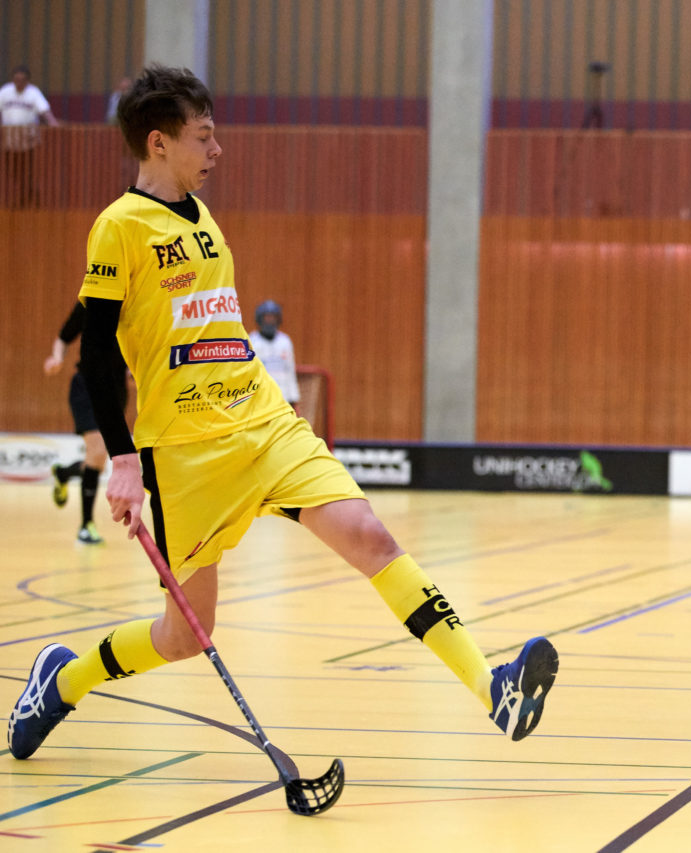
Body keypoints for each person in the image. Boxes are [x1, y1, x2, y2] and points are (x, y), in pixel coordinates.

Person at [7, 65, 559, 764]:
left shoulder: (201, 218)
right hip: (186, 454)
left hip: (264, 424)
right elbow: (95, 357)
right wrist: (122, 458)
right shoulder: (118, 228)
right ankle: (63, 679)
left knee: (371, 536)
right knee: (183, 633)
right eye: (203, 137)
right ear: (157, 143)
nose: (217, 150)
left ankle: (494, 688)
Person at [43, 301, 130, 544]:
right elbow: (63, 337)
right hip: (87, 387)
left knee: (97, 459)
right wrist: (57, 358)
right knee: (99, 450)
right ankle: (86, 525)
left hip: (116, 390)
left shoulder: (136, 305)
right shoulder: (90, 303)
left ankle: (64, 473)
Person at [0, 64, 59, 207]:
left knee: (27, 172)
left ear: (27, 81)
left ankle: (26, 199)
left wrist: (53, 124)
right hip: (10, 141)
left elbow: (44, 111)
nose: (18, 82)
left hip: (28, 141)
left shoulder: (33, 92)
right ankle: (28, 196)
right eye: (16, 79)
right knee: (13, 172)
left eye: (22, 80)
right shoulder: (5, 91)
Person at [248, 299, 300, 406]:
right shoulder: (251, 341)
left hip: (283, 397)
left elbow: (290, 371)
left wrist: (293, 398)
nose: (270, 321)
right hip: (260, 397)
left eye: (273, 318)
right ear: (259, 319)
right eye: (267, 318)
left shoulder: (285, 341)